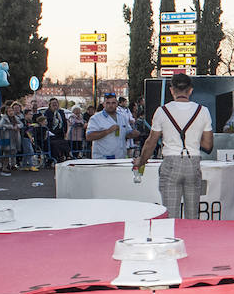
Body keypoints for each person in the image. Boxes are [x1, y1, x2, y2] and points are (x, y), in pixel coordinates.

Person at [135, 72, 214, 219]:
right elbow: (208, 145)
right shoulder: (203, 111)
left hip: (171, 163)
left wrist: (141, 161)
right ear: (190, 90)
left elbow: (151, 142)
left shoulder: (162, 111)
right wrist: (193, 138)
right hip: (193, 163)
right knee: (193, 216)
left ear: (172, 90)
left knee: (171, 215)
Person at [85, 92, 134, 159]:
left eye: (113, 103)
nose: (110, 105)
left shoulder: (122, 117)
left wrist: (136, 133)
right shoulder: (95, 118)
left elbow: (128, 132)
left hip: (120, 158)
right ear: (103, 104)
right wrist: (108, 131)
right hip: (103, 159)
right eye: (108, 103)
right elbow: (89, 136)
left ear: (117, 104)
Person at [43, 98, 70, 163]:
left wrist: (65, 132)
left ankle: (67, 155)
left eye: (56, 103)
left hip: (60, 132)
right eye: (53, 104)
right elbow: (47, 122)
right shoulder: (47, 113)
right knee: (55, 144)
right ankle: (55, 158)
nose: (55, 105)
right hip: (51, 133)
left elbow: (64, 122)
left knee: (64, 143)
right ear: (50, 105)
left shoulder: (61, 112)